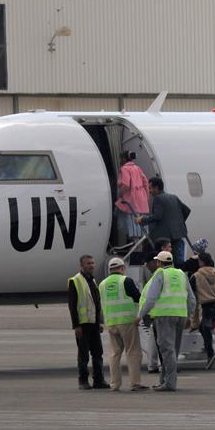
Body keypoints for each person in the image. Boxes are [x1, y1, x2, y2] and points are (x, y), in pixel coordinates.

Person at [137, 251, 196, 391]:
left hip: (164, 316)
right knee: (172, 351)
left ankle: (170, 383)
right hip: (180, 316)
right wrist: (188, 315)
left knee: (166, 350)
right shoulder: (181, 274)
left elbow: (151, 298)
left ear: (159, 263)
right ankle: (164, 380)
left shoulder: (160, 274)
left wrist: (141, 314)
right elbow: (192, 299)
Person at [99, 257, 148, 391]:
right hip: (126, 322)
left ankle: (114, 384)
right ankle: (135, 383)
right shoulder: (126, 281)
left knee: (114, 354)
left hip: (111, 323)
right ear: (122, 268)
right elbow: (139, 297)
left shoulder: (102, 284)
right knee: (133, 352)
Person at [67, 255, 109, 390]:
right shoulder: (75, 281)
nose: (91, 265)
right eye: (88, 263)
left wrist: (99, 322)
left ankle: (98, 379)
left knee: (98, 353)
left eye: (92, 263)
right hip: (83, 324)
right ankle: (83, 380)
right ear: (82, 266)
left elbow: (96, 303)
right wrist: (76, 325)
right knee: (83, 353)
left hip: (94, 324)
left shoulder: (93, 280)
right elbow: (72, 306)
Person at [135, 178, 190, 265]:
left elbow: (157, 216)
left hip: (164, 236)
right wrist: (177, 223)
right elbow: (186, 210)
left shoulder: (158, 199)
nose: (149, 191)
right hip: (178, 234)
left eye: (150, 188)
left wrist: (142, 219)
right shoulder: (173, 197)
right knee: (177, 260)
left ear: (156, 188)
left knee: (156, 255)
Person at [190, 251, 215, 368]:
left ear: (201, 262)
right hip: (214, 304)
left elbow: (190, 292)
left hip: (203, 305)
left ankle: (210, 353)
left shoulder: (197, 275)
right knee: (205, 328)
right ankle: (209, 352)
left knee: (204, 328)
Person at [114, 151, 149, 245]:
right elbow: (146, 182)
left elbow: (125, 184)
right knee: (141, 231)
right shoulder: (137, 168)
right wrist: (146, 197)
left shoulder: (124, 169)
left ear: (124, 159)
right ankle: (138, 247)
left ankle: (121, 243)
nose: (120, 161)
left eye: (121, 159)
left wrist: (119, 194)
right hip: (142, 203)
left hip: (131, 202)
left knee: (119, 216)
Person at [136, 253, 161, 374]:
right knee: (159, 340)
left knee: (153, 339)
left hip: (154, 313)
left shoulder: (156, 276)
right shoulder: (157, 277)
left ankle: (153, 364)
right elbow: (150, 299)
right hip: (157, 313)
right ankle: (157, 364)